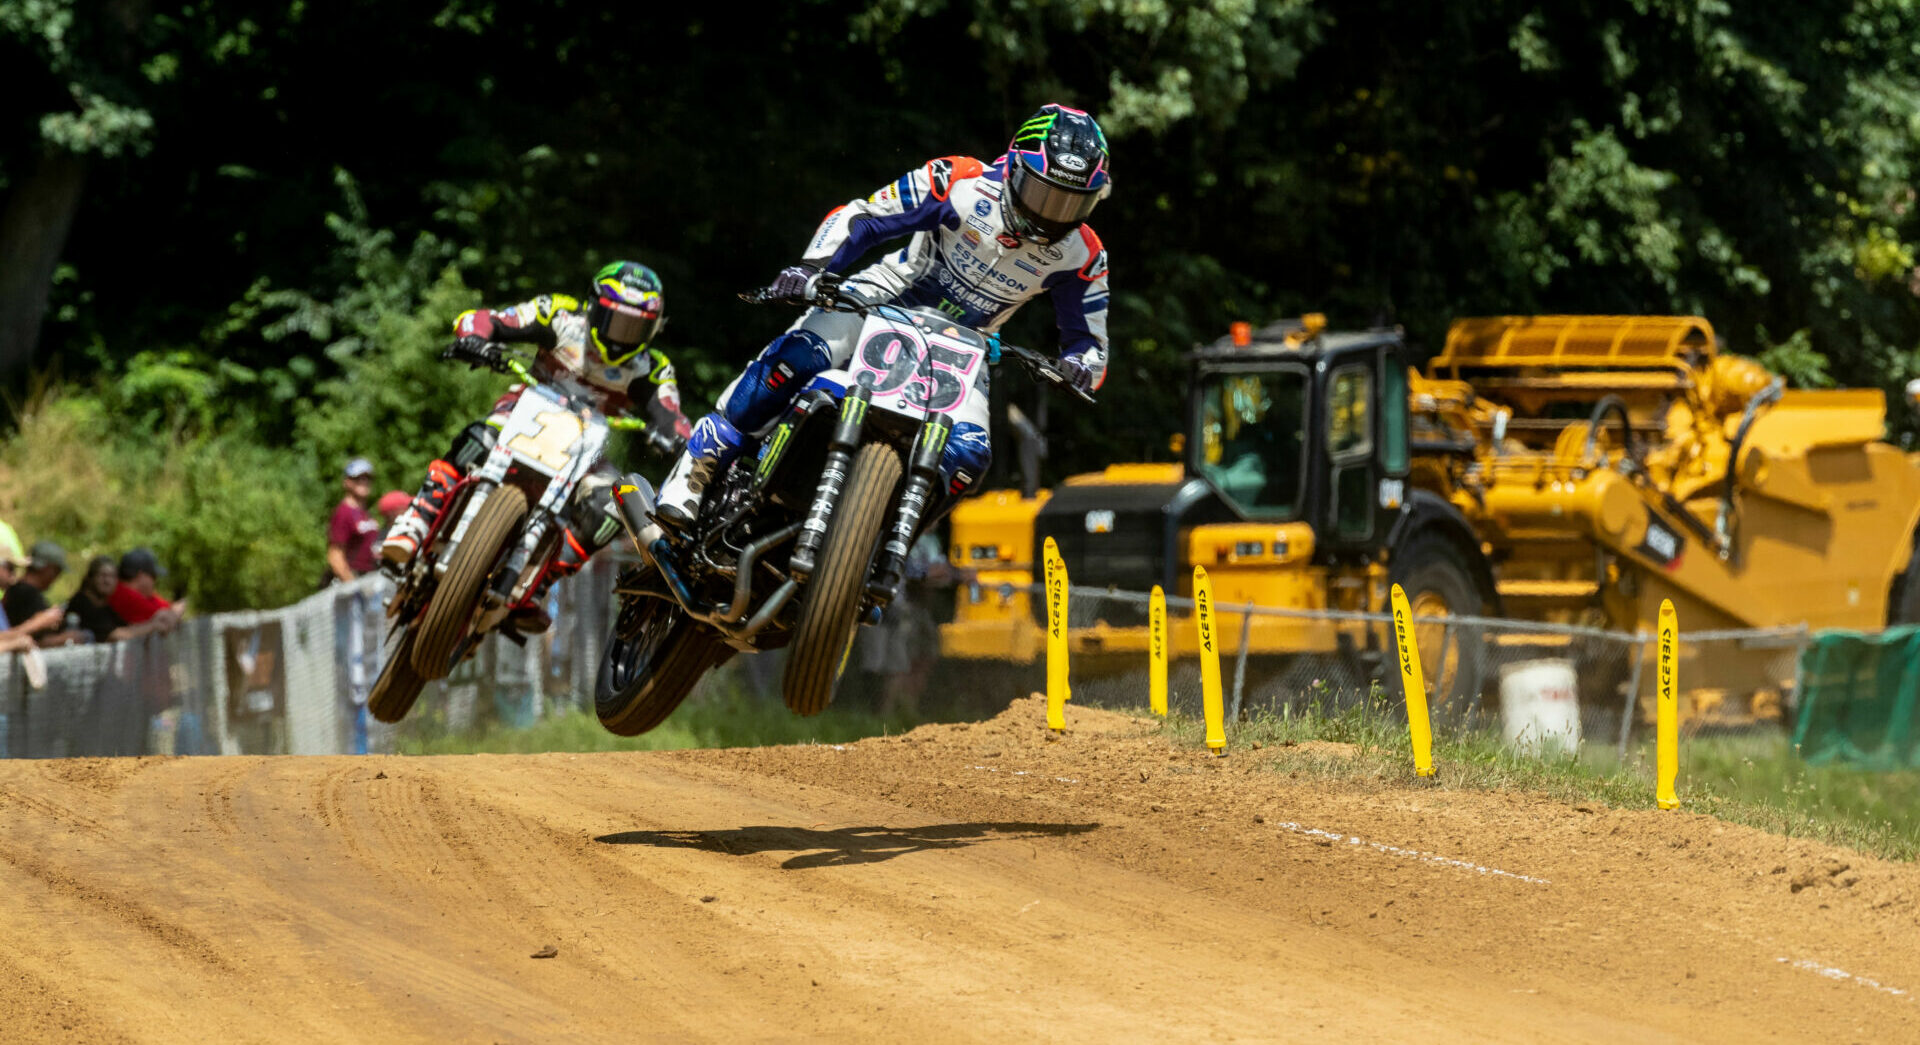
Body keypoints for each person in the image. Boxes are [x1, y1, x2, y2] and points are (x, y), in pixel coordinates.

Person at [654, 103, 1113, 525]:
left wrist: (1076, 369)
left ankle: (886, 546)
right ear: (1013, 167)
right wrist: (810, 268)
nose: (1050, 217)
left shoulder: (1084, 255)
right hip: (879, 302)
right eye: (1043, 194)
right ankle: (700, 463)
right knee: (801, 358)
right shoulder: (960, 181)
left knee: (970, 457)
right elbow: (865, 217)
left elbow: (1091, 346)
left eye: (1071, 204)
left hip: (965, 349)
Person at [378, 260, 692, 631]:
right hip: (520, 418)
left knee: (611, 506)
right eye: (617, 321)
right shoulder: (560, 314)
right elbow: (489, 319)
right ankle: (419, 516)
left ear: (652, 329)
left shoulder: (651, 368)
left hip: (586, 455)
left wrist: (674, 439)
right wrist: (474, 339)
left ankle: (541, 580)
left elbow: (672, 415)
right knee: (479, 438)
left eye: (636, 327)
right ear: (594, 306)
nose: (624, 336)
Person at [64, 555, 174, 643]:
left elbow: (126, 628)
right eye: (103, 575)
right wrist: (153, 625)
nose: (107, 581)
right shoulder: (82, 603)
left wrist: (155, 622)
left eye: (112, 576)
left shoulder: (105, 606)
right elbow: (114, 635)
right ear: (90, 578)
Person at [2, 541, 85, 647]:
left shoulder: (16, 590)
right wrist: (64, 638)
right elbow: (37, 641)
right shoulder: (28, 594)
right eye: (57, 571)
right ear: (48, 569)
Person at [326, 457, 381, 584]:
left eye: (367, 478)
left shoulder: (366, 513)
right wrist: (352, 585)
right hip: (348, 580)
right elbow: (335, 555)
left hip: (368, 578)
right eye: (358, 479)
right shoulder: (343, 512)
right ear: (347, 482)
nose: (364, 482)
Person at [108, 547, 185, 629]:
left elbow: (163, 605)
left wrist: (173, 609)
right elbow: (165, 616)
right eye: (153, 576)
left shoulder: (142, 595)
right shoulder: (122, 594)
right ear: (141, 576)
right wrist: (175, 612)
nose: (155, 581)